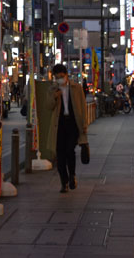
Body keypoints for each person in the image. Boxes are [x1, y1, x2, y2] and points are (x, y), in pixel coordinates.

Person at [49, 64, 87, 193]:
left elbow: (83, 107)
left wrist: (84, 125)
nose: (59, 79)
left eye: (61, 76)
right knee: (60, 155)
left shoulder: (76, 88)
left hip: (73, 124)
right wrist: (55, 96)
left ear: (66, 75)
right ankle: (63, 182)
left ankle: (72, 175)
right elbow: (48, 106)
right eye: (57, 77)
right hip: (59, 125)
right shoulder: (53, 89)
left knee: (70, 151)